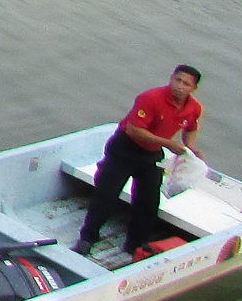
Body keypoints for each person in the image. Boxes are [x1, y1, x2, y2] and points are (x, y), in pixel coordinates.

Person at [74, 65, 203, 256]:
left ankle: (136, 244)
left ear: (193, 89)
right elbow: (135, 130)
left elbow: (190, 127)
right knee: (106, 195)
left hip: (152, 154)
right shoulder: (151, 98)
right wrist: (167, 143)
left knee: (148, 202)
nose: (179, 86)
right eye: (177, 80)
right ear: (171, 78)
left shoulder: (194, 108)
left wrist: (190, 148)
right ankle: (87, 238)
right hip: (125, 148)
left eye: (186, 84)